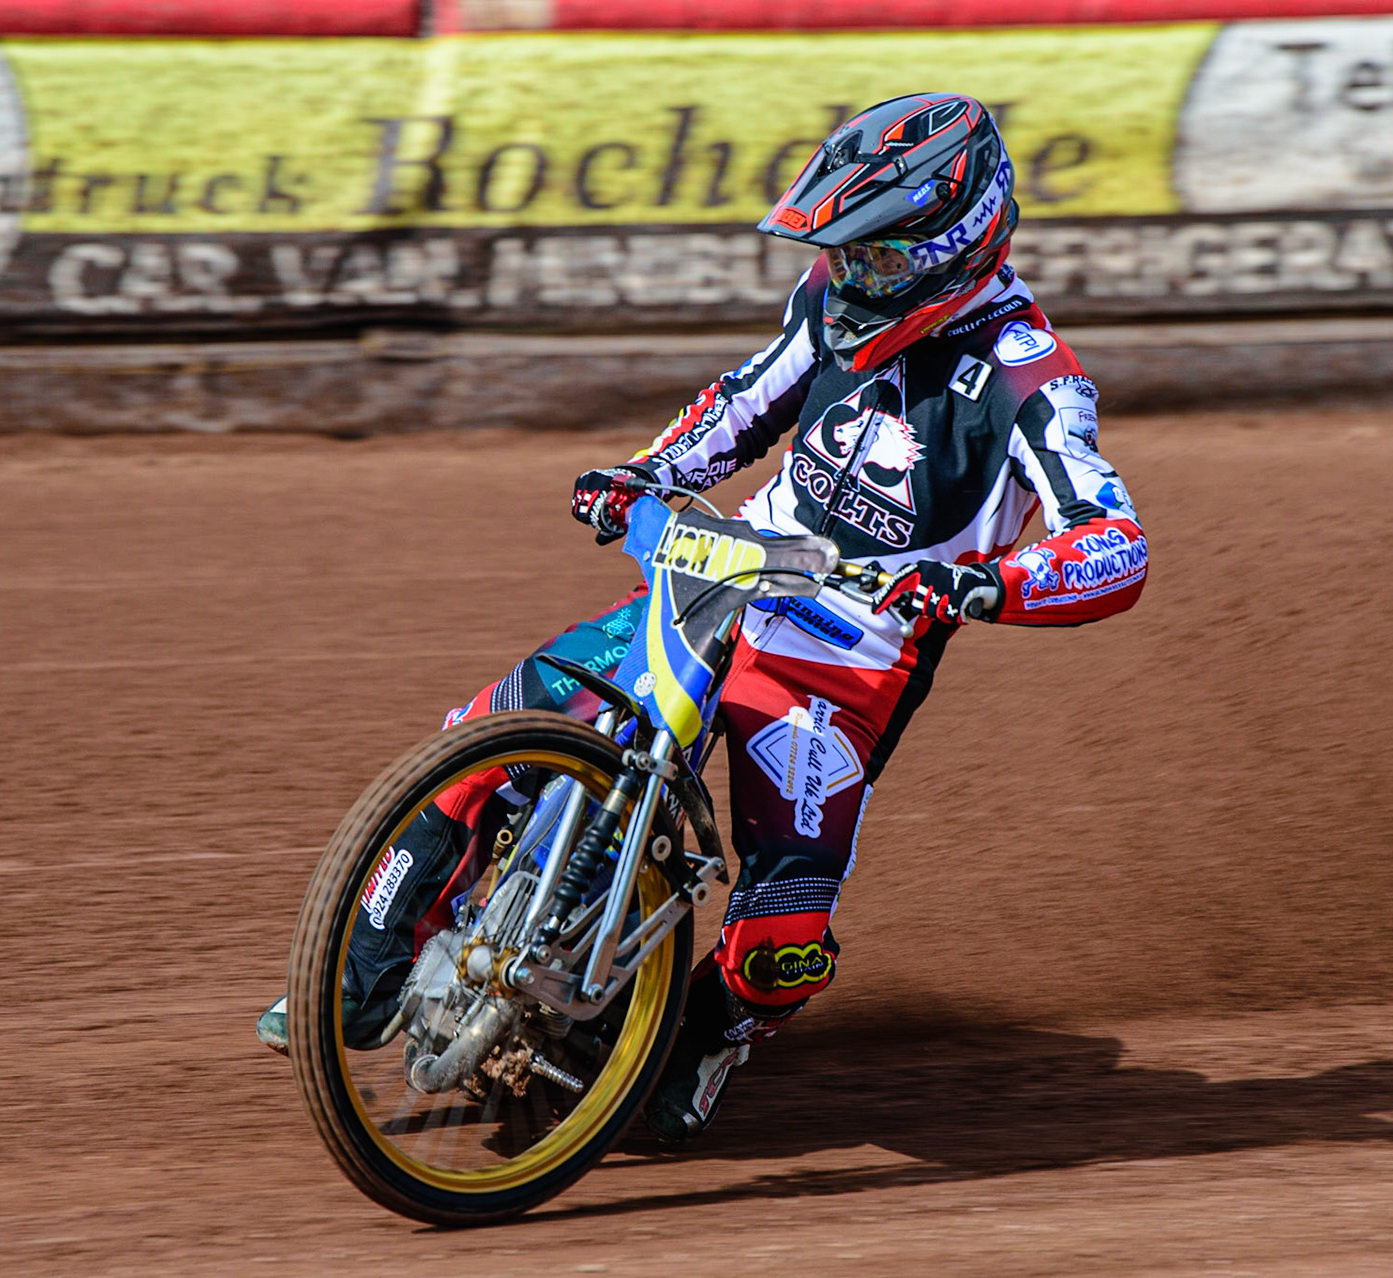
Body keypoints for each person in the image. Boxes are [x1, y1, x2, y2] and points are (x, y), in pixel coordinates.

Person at [256, 93, 1149, 1143]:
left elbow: (1114, 538)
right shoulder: (831, 300)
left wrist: (988, 584)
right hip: (725, 580)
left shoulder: (1031, 377)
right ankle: (354, 980)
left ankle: (701, 1037)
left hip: (846, 660)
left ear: (950, 248)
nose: (849, 277)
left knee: (782, 948)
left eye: (873, 258)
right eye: (842, 254)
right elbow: (746, 401)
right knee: (491, 733)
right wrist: (645, 474)